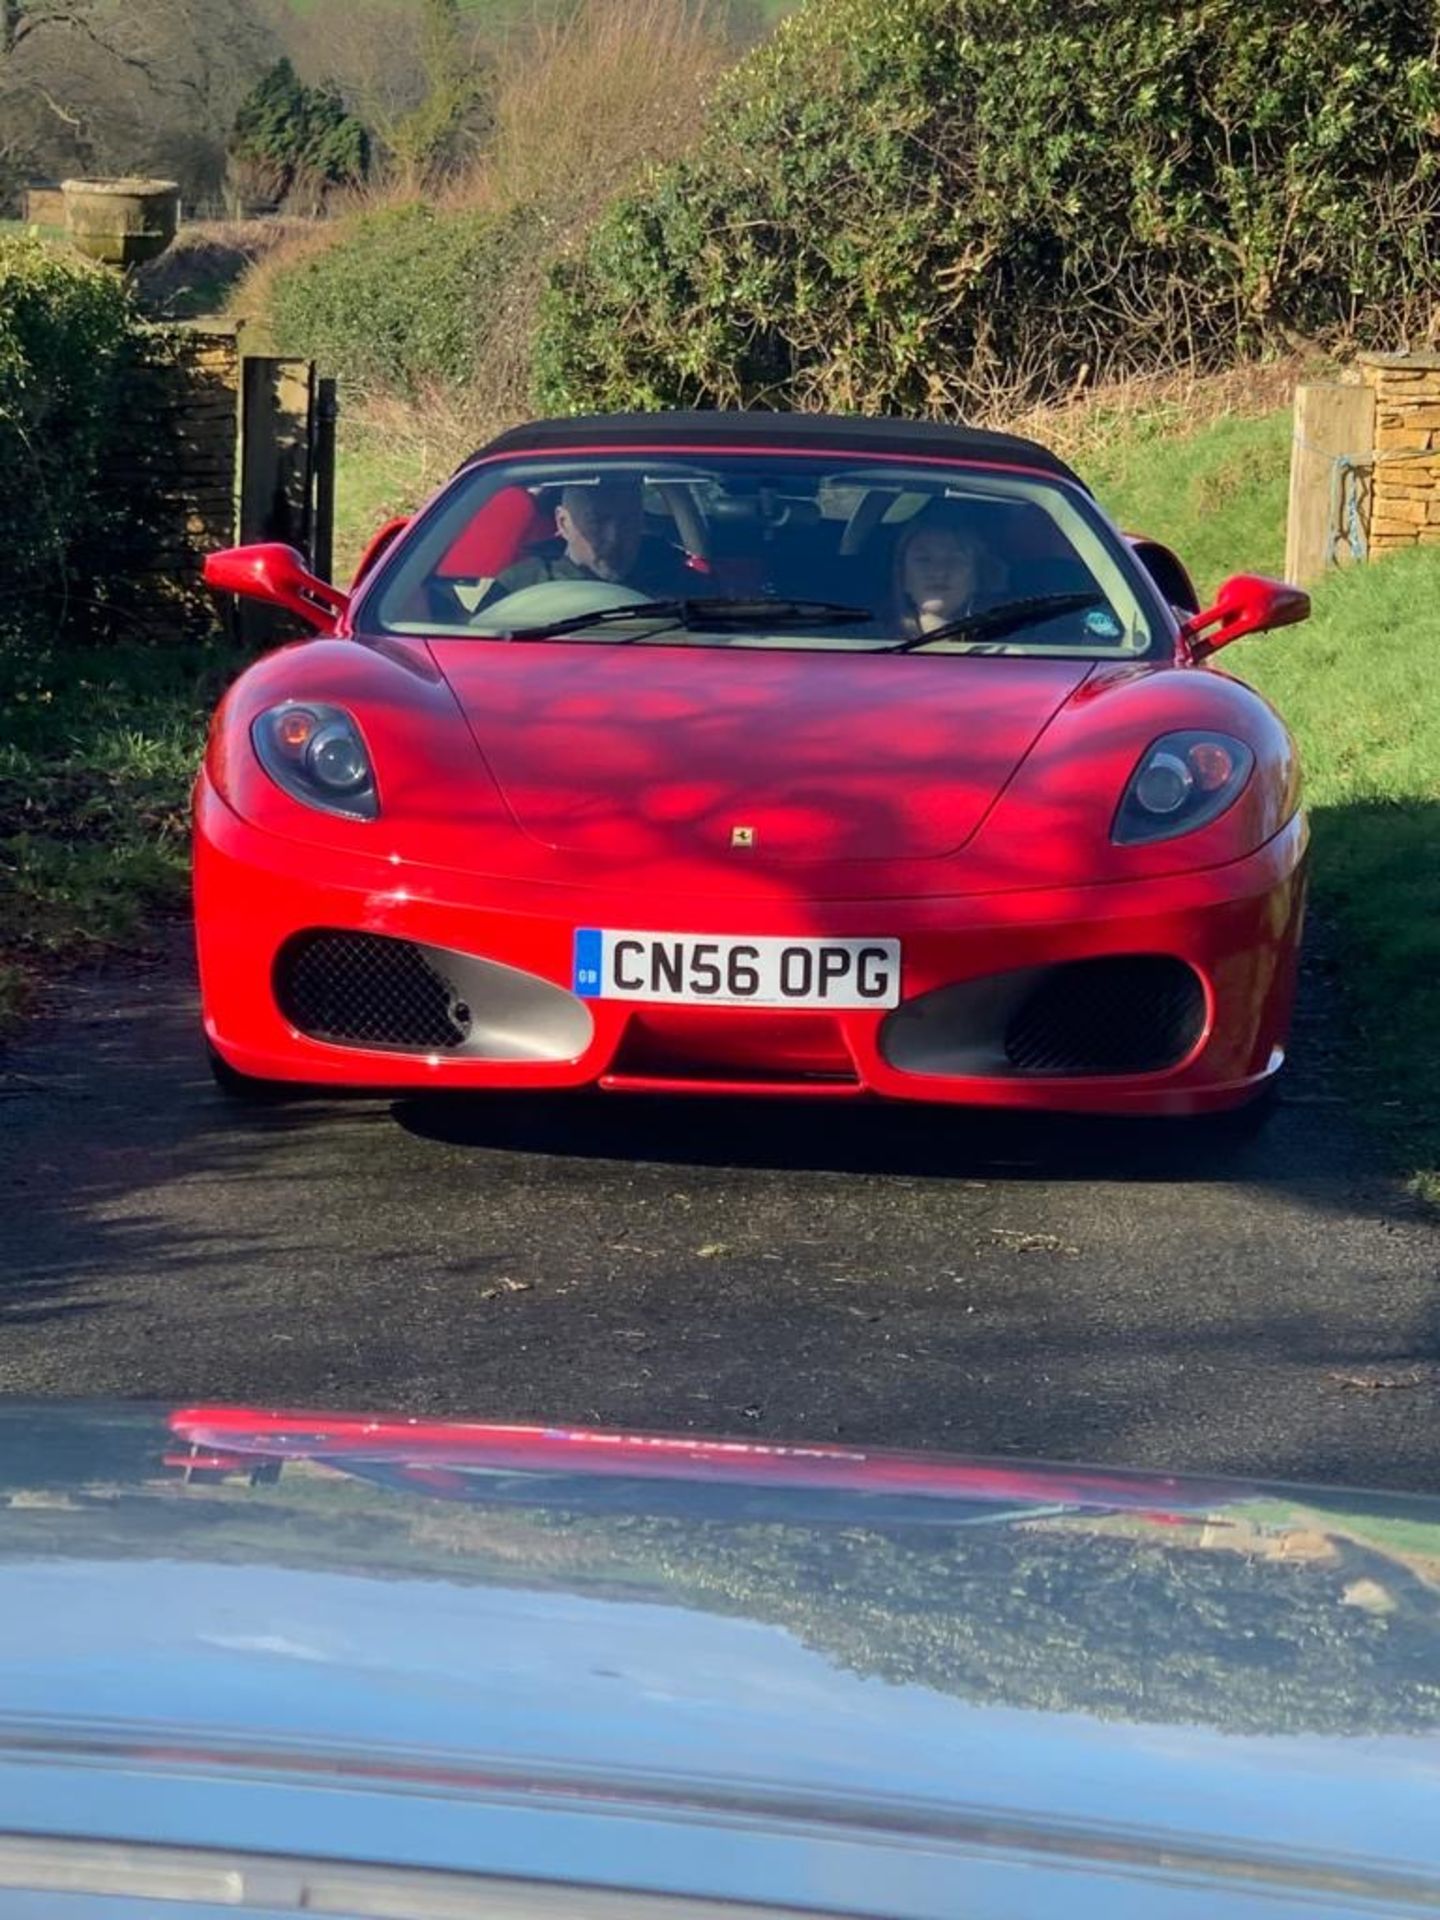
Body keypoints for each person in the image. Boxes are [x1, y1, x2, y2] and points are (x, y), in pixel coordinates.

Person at [489, 477, 687, 601]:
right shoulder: (520, 586)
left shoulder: (673, 576)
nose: (614, 538)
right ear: (564, 523)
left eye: (628, 521)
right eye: (597, 522)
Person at [891, 504, 1004, 639]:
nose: (938, 572)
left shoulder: (1016, 647)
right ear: (903, 577)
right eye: (924, 560)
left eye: (955, 559)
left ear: (976, 578)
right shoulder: (866, 645)